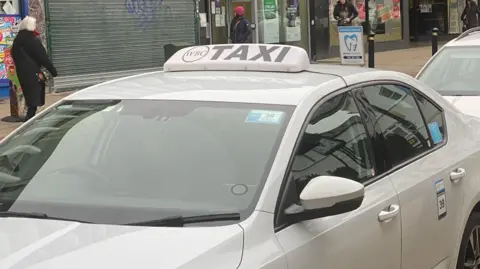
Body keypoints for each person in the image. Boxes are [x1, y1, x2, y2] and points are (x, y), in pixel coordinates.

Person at [11, 16, 57, 121]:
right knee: (35, 97)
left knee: (30, 95)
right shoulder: (32, 40)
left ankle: (30, 116)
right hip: (33, 72)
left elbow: (14, 55)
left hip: (22, 73)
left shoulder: (17, 41)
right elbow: (43, 57)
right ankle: (30, 119)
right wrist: (53, 71)